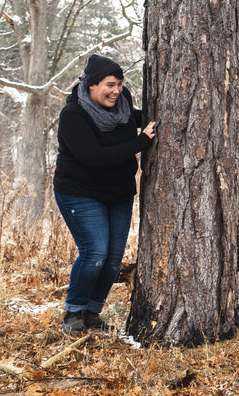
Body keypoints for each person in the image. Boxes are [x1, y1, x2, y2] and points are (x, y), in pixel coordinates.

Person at [53, 54, 156, 334]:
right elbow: (93, 157)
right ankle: (73, 313)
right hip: (80, 192)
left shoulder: (121, 106)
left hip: (118, 193)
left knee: (112, 260)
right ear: (90, 85)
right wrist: (140, 142)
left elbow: (132, 118)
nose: (116, 91)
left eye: (120, 84)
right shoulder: (73, 115)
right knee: (94, 253)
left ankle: (92, 312)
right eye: (110, 84)